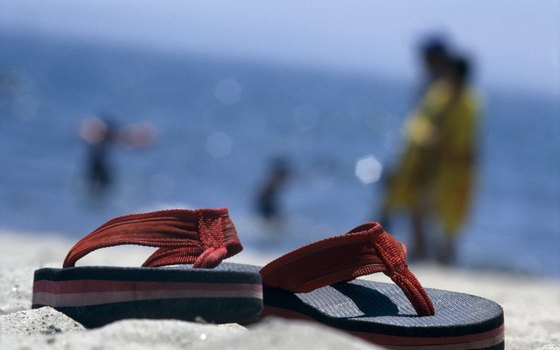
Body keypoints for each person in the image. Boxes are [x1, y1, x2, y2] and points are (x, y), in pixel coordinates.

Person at [380, 55, 480, 264]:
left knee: (450, 218)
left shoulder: (469, 103)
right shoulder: (439, 95)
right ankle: (422, 253)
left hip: (454, 168)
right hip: (429, 164)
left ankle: (444, 258)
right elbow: (420, 123)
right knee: (418, 208)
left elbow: (465, 142)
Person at [256, 158, 291, 223]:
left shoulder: (274, 179)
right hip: (265, 202)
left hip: (265, 201)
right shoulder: (276, 180)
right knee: (272, 222)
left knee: (273, 221)